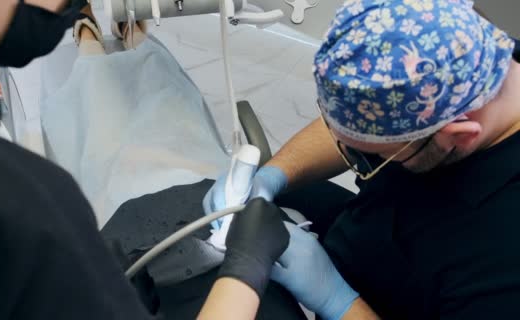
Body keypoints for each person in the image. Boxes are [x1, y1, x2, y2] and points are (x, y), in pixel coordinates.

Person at [0, 0, 290, 319]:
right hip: (157, 213)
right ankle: (111, 41)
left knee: (120, 106)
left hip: (146, 213)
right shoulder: (7, 201)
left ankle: (103, 41)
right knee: (135, 104)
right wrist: (246, 270)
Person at [204, 0, 520, 319]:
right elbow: (365, 120)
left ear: (459, 135)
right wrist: (273, 175)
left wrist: (337, 301)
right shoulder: (482, 56)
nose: (348, 149)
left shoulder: (504, 259)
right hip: (373, 232)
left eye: (377, 156)